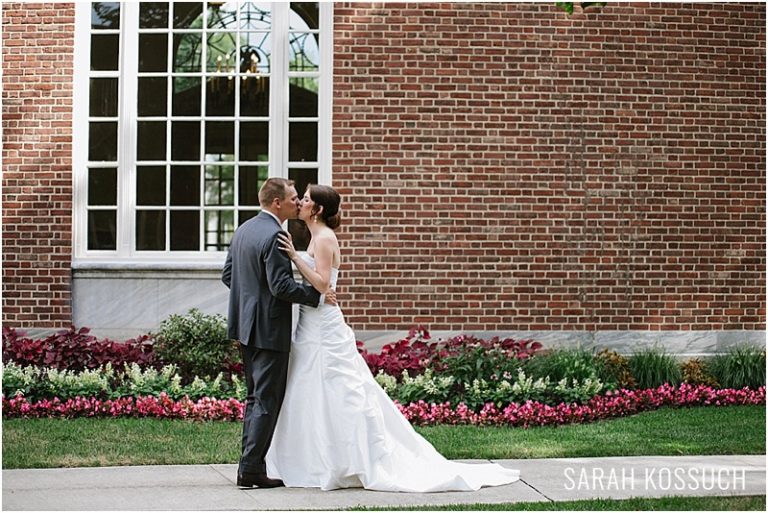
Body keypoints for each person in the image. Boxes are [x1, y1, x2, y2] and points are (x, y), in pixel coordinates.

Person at [266, 184, 520, 492]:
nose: (301, 203)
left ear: (317, 209)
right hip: (313, 323)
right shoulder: (317, 236)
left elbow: (321, 284)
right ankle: (312, 457)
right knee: (309, 387)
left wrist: (294, 257)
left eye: (305, 200)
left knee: (339, 387)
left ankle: (348, 458)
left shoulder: (323, 238)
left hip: (323, 328)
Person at [222, 178, 336, 489]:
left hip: (245, 327)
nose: (298, 202)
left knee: (253, 397)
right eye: (293, 198)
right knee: (266, 400)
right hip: (269, 329)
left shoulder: (244, 229)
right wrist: (316, 297)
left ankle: (249, 465)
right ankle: (251, 470)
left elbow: (229, 275)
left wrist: (251, 303)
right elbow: (281, 287)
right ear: (277, 203)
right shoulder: (275, 235)